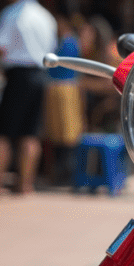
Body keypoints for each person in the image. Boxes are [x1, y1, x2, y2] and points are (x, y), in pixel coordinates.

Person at [0, 0, 57, 195]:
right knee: (31, 133)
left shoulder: (13, 13)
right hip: (41, 74)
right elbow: (52, 48)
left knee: (1, 131)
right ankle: (26, 184)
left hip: (18, 75)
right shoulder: (45, 16)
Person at [43, 15, 85, 185]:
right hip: (63, 90)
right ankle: (63, 173)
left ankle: (67, 174)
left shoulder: (68, 42)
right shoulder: (68, 41)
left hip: (64, 90)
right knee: (61, 133)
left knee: (67, 133)